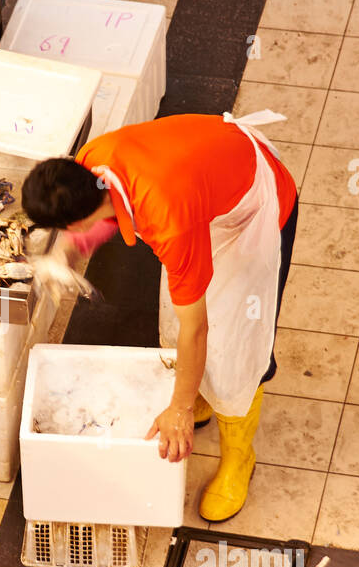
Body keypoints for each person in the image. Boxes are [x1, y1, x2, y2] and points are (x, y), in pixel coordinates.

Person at [21, 111, 299, 523]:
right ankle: (203, 390)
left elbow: (197, 328)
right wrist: (63, 254)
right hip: (205, 184)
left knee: (235, 342)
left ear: (74, 220)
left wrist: (179, 410)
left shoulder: (169, 219)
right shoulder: (92, 160)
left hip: (252, 209)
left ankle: (239, 458)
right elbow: (106, 211)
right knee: (178, 313)